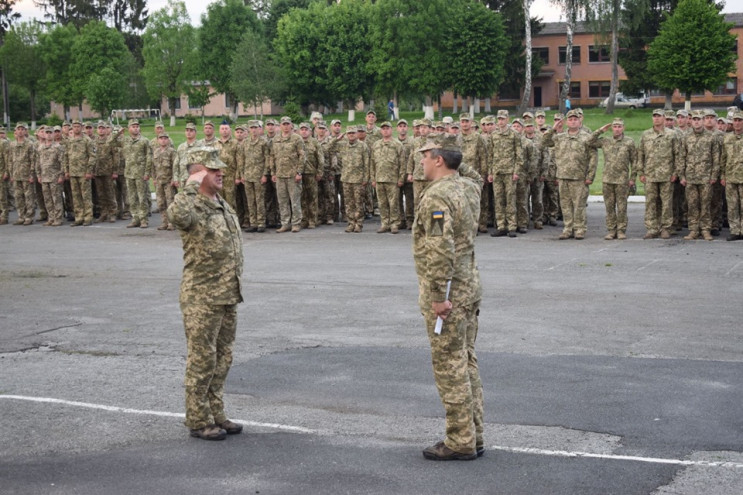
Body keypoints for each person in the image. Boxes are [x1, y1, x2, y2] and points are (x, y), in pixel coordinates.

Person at [413, 133, 483, 461]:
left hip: (450, 294)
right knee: (466, 362)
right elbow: (475, 174)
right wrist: (455, 155)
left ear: (438, 159)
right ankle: (474, 434)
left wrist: (439, 297)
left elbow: (441, 249)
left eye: (426, 155)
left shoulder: (437, 196)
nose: (421, 161)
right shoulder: (467, 186)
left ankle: (459, 440)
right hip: (469, 288)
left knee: (449, 365)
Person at [167, 146, 244, 441]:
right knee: (202, 359)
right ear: (198, 173)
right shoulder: (191, 205)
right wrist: (189, 185)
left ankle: (216, 413)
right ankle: (198, 421)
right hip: (202, 296)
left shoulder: (220, 202)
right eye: (213, 170)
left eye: (220, 168)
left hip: (227, 294)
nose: (221, 172)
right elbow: (175, 215)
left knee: (223, 357)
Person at [541, 109, 600, 240]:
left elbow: (593, 158)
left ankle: (579, 229)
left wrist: (590, 176)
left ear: (580, 121)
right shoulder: (560, 137)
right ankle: (568, 228)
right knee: (565, 205)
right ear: (567, 122)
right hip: (563, 176)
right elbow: (544, 142)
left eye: (575, 119)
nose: (573, 122)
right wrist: (553, 129)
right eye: (570, 119)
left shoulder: (586, 137)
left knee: (579, 204)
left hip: (579, 177)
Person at [637, 109, 680, 239]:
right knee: (651, 202)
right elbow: (641, 154)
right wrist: (641, 171)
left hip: (667, 174)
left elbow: (677, 154)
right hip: (650, 174)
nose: (656, 119)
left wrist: (676, 172)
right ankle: (652, 228)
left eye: (659, 116)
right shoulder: (646, 135)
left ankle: (666, 228)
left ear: (664, 118)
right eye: (654, 116)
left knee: (666, 203)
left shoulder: (672, 135)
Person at [593, 118, 637, 240]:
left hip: (622, 180)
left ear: (623, 128)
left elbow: (635, 161)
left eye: (619, 126)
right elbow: (589, 142)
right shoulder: (606, 141)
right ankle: (611, 230)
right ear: (612, 128)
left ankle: (621, 230)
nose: (617, 129)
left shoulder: (629, 142)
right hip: (607, 179)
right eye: (615, 126)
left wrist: (632, 178)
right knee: (609, 206)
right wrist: (600, 131)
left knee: (622, 207)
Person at [680, 110, 720, 241]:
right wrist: (682, 176)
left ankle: (705, 229)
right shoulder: (686, 137)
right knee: (692, 204)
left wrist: (714, 175)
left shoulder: (711, 137)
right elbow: (682, 157)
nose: (697, 122)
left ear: (703, 121)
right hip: (691, 177)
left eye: (699, 119)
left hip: (706, 177)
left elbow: (716, 158)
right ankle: (693, 230)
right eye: (695, 119)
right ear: (691, 121)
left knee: (705, 205)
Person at [721, 110, 743, 241]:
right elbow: (723, 158)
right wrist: (722, 176)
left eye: (740, 120)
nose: (737, 123)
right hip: (730, 176)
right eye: (735, 120)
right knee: (732, 205)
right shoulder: (727, 138)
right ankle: (735, 230)